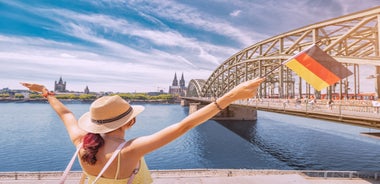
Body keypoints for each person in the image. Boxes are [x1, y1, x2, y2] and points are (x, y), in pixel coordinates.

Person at [21, 77, 265, 184]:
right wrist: (232, 95)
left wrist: (45, 92)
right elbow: (185, 125)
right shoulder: (130, 150)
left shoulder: (81, 142)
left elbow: (65, 114)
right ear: (130, 122)